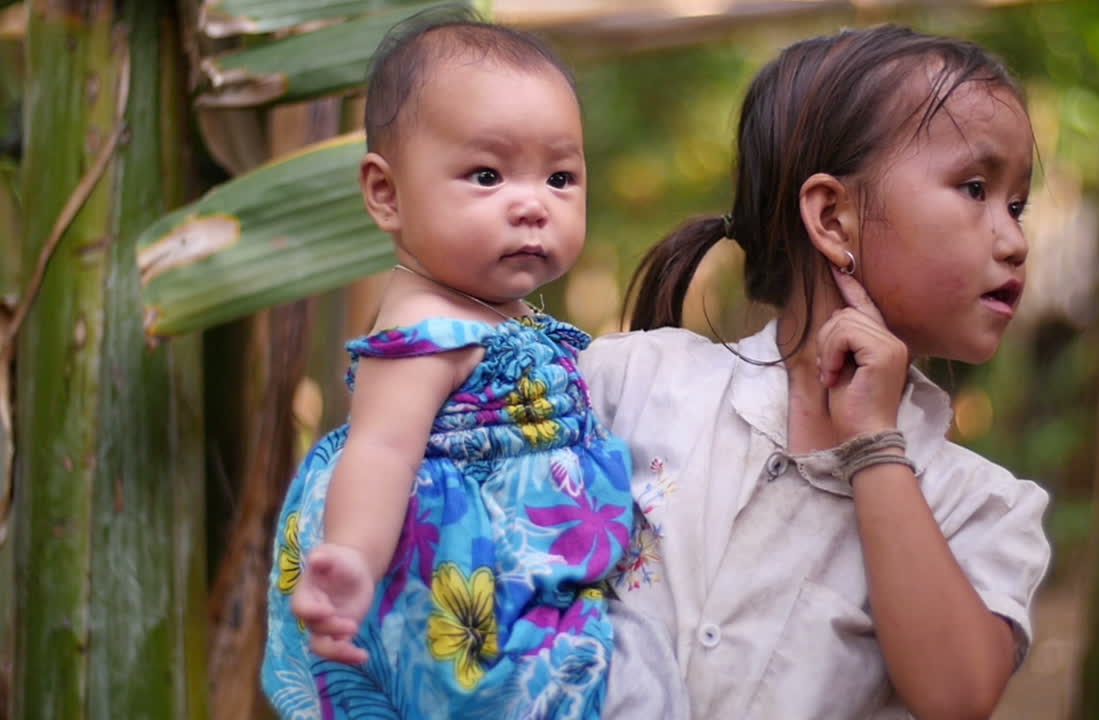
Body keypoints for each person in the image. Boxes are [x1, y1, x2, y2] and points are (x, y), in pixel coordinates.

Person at [585, 24, 1051, 719]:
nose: (1014, 240)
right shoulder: (631, 385)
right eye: (975, 188)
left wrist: (874, 445)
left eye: (1016, 205)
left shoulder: (984, 509)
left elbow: (956, 696)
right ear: (833, 218)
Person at [259, 9, 687, 719]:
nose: (532, 205)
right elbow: (380, 450)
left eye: (559, 177)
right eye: (487, 175)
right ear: (386, 194)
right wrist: (354, 561)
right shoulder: (427, 327)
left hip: (530, 583)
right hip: (471, 599)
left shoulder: (499, 314)